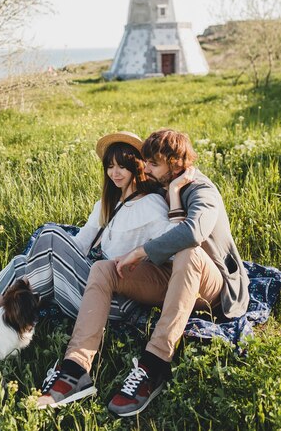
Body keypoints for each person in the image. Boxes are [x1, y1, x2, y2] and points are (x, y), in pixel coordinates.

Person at [37, 129, 250, 416]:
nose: (145, 168)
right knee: (104, 269)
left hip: (210, 286)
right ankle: (75, 369)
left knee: (188, 252)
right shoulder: (162, 188)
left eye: (152, 164)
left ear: (175, 164)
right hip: (169, 277)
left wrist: (141, 252)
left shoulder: (202, 190)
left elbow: (193, 232)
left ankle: (155, 365)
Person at [0, 131, 184, 334]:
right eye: (109, 166)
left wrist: (174, 196)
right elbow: (81, 244)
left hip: (115, 302)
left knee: (50, 234)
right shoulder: (107, 204)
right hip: (89, 284)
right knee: (21, 263)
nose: (114, 173)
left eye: (122, 166)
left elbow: (173, 245)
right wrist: (51, 259)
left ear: (137, 167)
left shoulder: (151, 205)